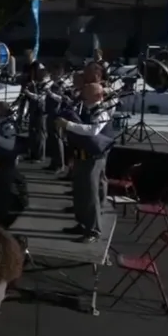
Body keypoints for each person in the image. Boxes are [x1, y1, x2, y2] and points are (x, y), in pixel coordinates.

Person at [56, 83, 112, 244]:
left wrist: (68, 125)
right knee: (80, 191)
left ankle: (94, 229)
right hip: (81, 156)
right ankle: (82, 223)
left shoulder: (101, 112)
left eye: (87, 93)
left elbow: (92, 131)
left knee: (90, 194)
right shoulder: (84, 109)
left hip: (93, 158)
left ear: (98, 96)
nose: (83, 95)